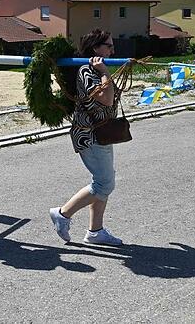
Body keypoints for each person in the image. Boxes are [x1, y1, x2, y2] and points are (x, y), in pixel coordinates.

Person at [49, 29, 125, 246]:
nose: (113, 50)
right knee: (104, 184)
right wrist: (104, 71)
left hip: (103, 133)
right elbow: (107, 99)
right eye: (108, 46)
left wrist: (104, 71)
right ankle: (62, 214)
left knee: (102, 181)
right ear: (95, 49)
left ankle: (95, 231)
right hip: (89, 134)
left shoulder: (96, 70)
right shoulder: (86, 71)